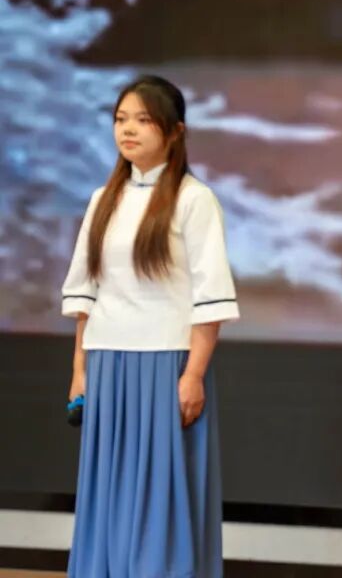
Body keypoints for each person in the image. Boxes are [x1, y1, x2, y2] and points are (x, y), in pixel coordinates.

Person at [61, 75, 239, 577]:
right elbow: (86, 295)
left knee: (162, 493)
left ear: (175, 130)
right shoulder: (103, 199)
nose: (128, 130)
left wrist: (193, 374)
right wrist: (79, 370)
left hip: (166, 365)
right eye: (121, 119)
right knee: (108, 489)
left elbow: (210, 300)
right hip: (107, 364)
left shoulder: (194, 199)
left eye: (143, 119)